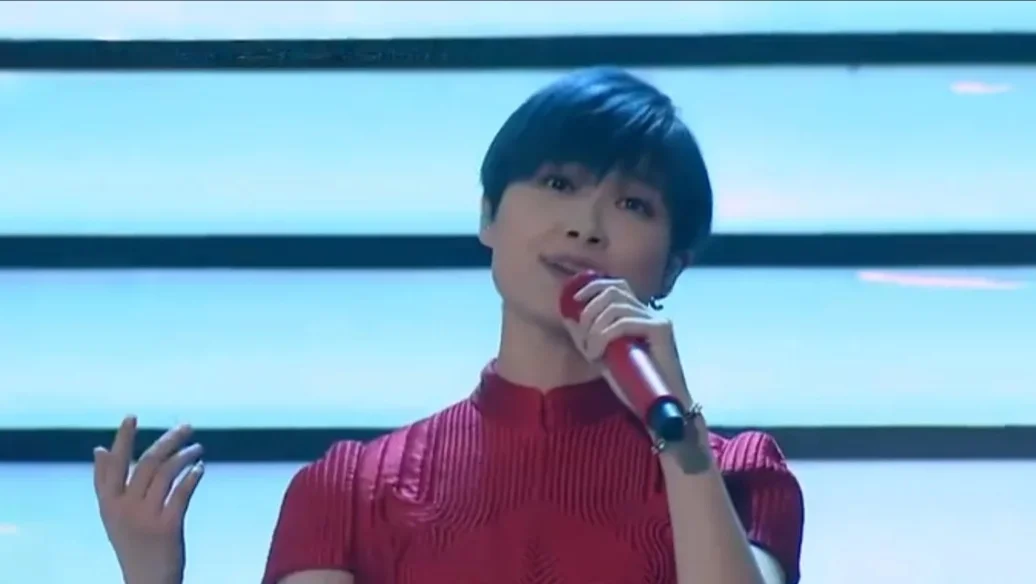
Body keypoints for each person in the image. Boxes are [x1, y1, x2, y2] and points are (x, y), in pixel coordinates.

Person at [92, 67, 805, 584]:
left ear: (673, 267)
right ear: (488, 216)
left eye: (633, 205)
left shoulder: (738, 474)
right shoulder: (351, 493)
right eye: (558, 183)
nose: (585, 227)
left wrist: (681, 444)